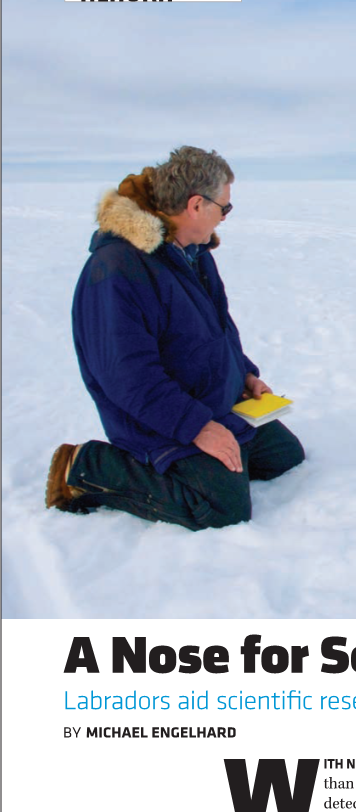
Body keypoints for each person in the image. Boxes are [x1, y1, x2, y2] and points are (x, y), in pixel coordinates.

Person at [46, 146, 304, 530]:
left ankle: (210, 466)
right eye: (225, 208)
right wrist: (197, 427)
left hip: (211, 399)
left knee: (284, 455)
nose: (226, 217)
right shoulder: (117, 268)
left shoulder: (194, 254)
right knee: (222, 508)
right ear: (196, 205)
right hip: (157, 417)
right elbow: (126, 376)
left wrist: (245, 375)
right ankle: (85, 466)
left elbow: (220, 329)